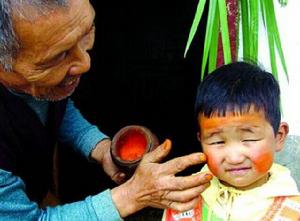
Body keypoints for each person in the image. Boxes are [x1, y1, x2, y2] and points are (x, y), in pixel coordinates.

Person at [0, 0, 213, 220]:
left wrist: (100, 148)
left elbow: (54, 104)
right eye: (59, 56)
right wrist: (131, 195)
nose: (85, 63)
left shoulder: (40, 83)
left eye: (86, 32)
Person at [162, 62, 300, 221]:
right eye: (217, 142)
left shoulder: (293, 210)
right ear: (201, 140)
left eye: (249, 138)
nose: (234, 158)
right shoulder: (184, 202)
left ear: (279, 136)